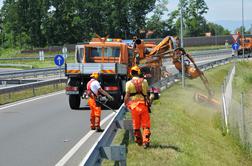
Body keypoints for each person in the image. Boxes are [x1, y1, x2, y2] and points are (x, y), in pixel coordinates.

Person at [124, 66, 151, 149]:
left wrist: (125, 104)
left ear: (131, 73)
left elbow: (127, 96)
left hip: (134, 107)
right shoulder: (145, 81)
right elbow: (148, 93)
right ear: (138, 72)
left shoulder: (128, 83)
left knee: (136, 124)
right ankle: (146, 141)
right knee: (146, 124)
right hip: (143, 105)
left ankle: (139, 141)